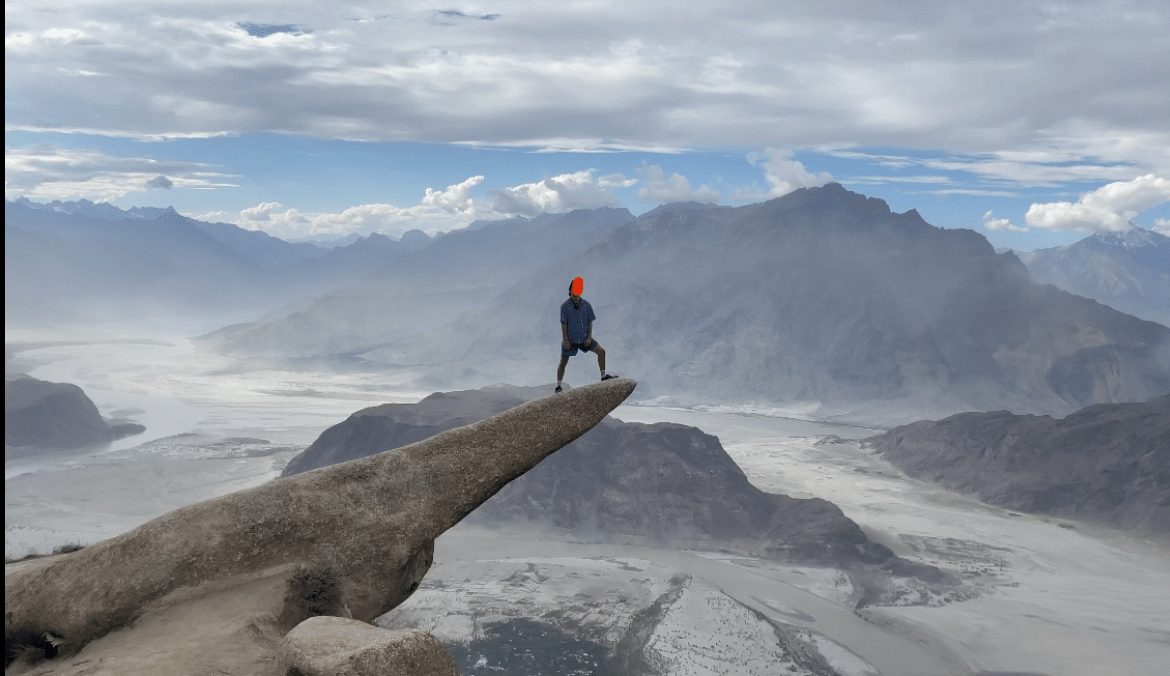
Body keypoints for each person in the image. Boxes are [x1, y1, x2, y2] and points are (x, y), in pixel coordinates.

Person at [557, 277, 617, 393]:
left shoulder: (586, 305)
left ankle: (603, 376)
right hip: (570, 338)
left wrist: (589, 336)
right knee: (563, 362)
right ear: (570, 292)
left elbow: (590, 322)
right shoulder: (564, 307)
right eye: (574, 292)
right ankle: (558, 386)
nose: (576, 295)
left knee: (601, 352)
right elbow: (563, 325)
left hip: (583, 338)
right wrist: (565, 340)